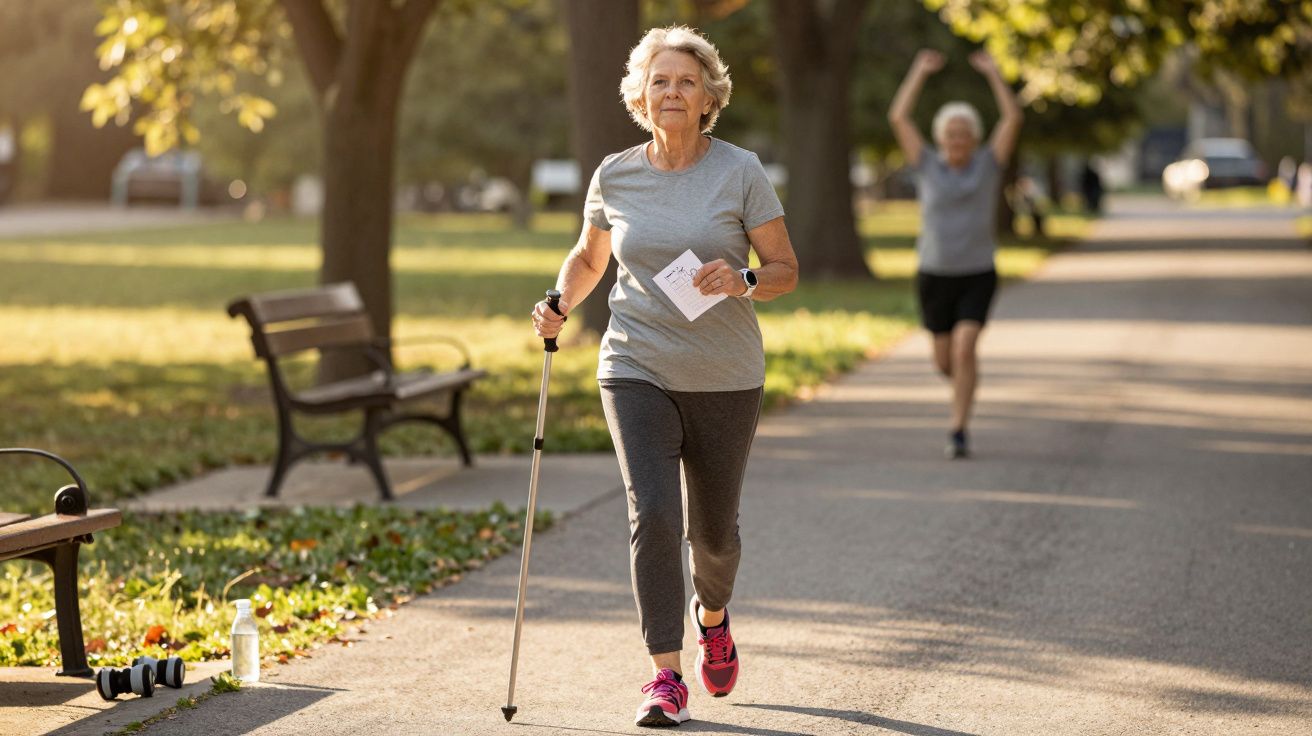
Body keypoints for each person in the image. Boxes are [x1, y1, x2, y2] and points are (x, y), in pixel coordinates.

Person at [530, 25, 798, 728]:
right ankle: (665, 676)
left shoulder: (740, 170)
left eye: (685, 80)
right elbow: (590, 259)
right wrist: (558, 303)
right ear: (640, 97)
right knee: (653, 512)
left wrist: (742, 279)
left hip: (725, 374)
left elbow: (784, 270)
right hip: (635, 363)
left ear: (709, 96)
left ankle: (712, 616)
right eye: (659, 81)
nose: (672, 91)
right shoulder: (615, 173)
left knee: (714, 538)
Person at [888, 49, 1023, 459]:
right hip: (934, 274)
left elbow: (1013, 118)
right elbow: (899, 117)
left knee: (965, 349)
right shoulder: (927, 163)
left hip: (977, 272)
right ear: (941, 137)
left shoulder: (988, 164)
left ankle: (958, 429)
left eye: (965, 132)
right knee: (946, 362)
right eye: (951, 132)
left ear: (974, 138)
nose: (958, 139)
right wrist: (918, 71)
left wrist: (995, 73)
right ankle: (965, 385)